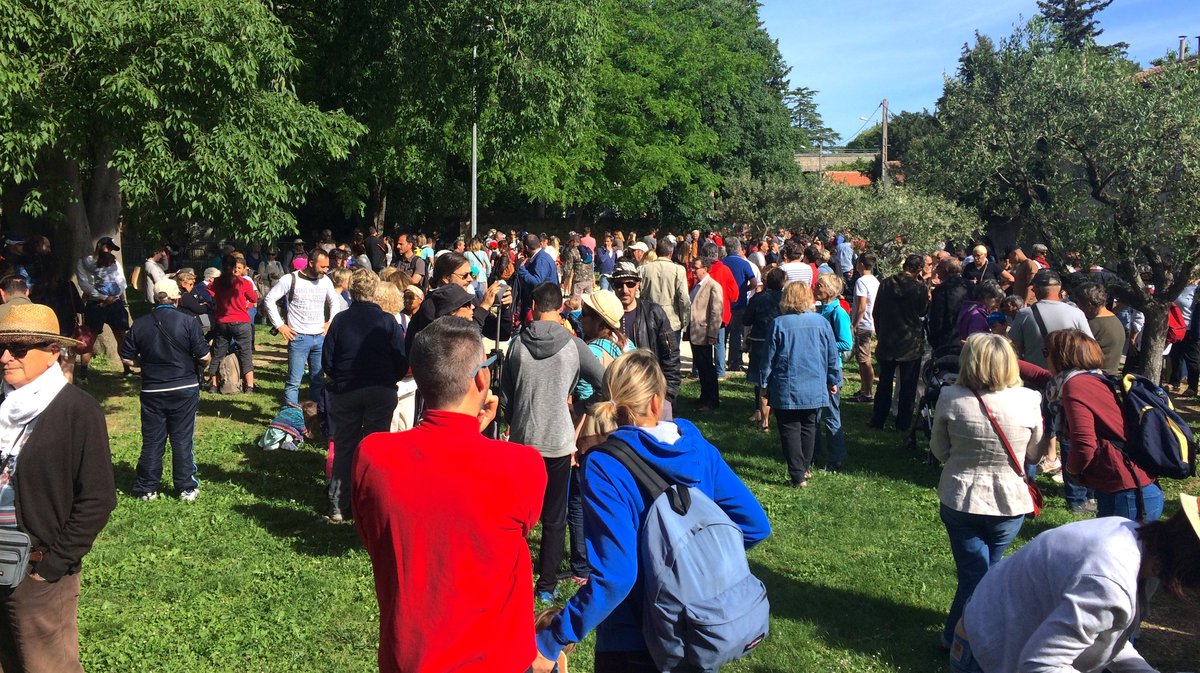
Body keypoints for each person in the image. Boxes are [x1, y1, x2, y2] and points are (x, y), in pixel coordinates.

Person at [533, 350, 771, 673]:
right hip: (694, 629)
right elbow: (754, 524)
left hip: (632, 642)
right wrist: (694, 568)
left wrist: (555, 637)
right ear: (657, 403)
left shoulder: (605, 466)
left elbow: (617, 577)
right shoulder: (695, 446)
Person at [355, 317, 544, 673]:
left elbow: (374, 534)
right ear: (481, 379)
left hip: (409, 659)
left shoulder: (373, 456)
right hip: (497, 660)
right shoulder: (523, 465)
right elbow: (517, 527)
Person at [949, 494, 1200, 673]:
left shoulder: (1143, 550)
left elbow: (1104, 635)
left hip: (1009, 634)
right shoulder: (1111, 580)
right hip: (988, 652)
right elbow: (1041, 664)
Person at [0, 304, 116, 672]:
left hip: (37, 572)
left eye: (18, 349)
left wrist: (50, 567)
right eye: (0, 348)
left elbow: (98, 498)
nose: (5, 357)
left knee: (46, 665)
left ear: (52, 353)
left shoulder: (77, 411)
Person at [930, 333, 1042, 650]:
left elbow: (939, 450)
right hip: (1009, 501)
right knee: (988, 572)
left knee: (975, 575)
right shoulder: (1029, 400)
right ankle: (978, 636)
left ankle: (958, 637)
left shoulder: (950, 396)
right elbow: (1033, 454)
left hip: (960, 496)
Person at [501, 282, 605, 602]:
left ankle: (508, 576)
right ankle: (546, 587)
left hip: (522, 441)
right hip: (559, 441)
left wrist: (515, 417)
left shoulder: (517, 345)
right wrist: (582, 409)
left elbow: (505, 397)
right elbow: (604, 384)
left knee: (515, 514)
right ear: (561, 308)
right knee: (555, 516)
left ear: (533, 306)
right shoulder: (574, 345)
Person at [1018, 329, 1164, 521]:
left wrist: (1072, 472)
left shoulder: (1075, 386)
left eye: (1047, 352)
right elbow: (1042, 376)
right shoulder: (1091, 378)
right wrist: (999, 356)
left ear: (1062, 357)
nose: (1046, 358)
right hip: (1131, 487)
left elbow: (1084, 443)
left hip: (1126, 493)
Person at [322, 268, 408, 523]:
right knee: (376, 447)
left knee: (345, 446)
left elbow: (327, 360)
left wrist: (341, 376)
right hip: (380, 389)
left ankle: (338, 505)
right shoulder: (387, 321)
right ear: (375, 291)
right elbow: (401, 360)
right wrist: (386, 378)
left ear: (351, 289)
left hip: (347, 389)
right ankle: (372, 502)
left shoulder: (340, 320)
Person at [119, 278, 211, 501]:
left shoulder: (140, 324)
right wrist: (202, 366)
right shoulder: (188, 321)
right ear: (177, 299)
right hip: (184, 386)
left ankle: (147, 487)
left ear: (155, 298)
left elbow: (126, 357)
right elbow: (204, 356)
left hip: (152, 389)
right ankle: (186, 487)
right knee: (182, 438)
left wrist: (145, 365)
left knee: (152, 439)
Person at [763, 281, 840, 487]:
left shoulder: (778, 323)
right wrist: (834, 379)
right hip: (814, 384)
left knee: (790, 429)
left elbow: (768, 358)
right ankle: (804, 468)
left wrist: (764, 383)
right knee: (809, 428)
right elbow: (832, 355)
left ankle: (797, 474)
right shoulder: (821, 322)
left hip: (786, 385)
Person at [264, 249, 343, 406]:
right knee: (294, 381)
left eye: (327, 267)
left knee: (318, 379)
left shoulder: (325, 281)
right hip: (298, 337)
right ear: (311, 263)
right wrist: (280, 325)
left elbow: (335, 302)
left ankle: (314, 416)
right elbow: (269, 299)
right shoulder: (290, 279)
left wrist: (331, 322)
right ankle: (290, 417)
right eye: (323, 267)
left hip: (320, 337)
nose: (326, 270)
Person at [612, 260, 680, 417]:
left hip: (651, 394)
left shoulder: (653, 313)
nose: (625, 289)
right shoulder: (607, 317)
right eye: (618, 284)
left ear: (638, 285)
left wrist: (667, 394)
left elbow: (671, 355)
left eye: (630, 284)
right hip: (619, 395)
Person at [871, 254, 931, 431]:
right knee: (908, 384)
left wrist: (880, 332)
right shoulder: (918, 288)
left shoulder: (886, 283)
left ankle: (878, 419)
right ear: (919, 269)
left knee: (884, 382)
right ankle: (903, 423)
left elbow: (877, 310)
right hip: (909, 341)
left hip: (888, 338)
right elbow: (922, 311)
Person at [1009, 269, 1092, 368]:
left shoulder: (1025, 314)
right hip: (1068, 376)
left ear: (1037, 289)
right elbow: (1090, 346)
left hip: (1035, 376)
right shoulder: (1077, 313)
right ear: (1059, 288)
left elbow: (1015, 350)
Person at [75, 236, 132, 380]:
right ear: (100, 246)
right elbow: (84, 284)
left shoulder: (114, 262)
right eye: (109, 247)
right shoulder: (85, 262)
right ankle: (83, 373)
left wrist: (114, 296)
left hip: (115, 302)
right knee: (89, 337)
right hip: (95, 304)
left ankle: (127, 368)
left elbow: (121, 280)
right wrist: (103, 297)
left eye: (112, 248)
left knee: (121, 335)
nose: (111, 250)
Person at [814, 272, 852, 470]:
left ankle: (836, 457)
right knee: (814, 414)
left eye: (819, 285)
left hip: (831, 368)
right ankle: (813, 453)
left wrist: (824, 345)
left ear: (829, 291)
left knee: (831, 414)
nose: (815, 287)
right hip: (816, 367)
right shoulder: (819, 310)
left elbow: (846, 342)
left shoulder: (838, 313)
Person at [205, 255, 258, 394]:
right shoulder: (242, 282)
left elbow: (209, 291)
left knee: (217, 354)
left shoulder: (217, 282)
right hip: (241, 321)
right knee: (245, 353)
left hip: (222, 321)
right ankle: (250, 387)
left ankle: (214, 385)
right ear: (235, 267)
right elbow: (253, 298)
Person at [745, 267, 786, 432]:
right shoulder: (787, 299)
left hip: (760, 340)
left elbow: (747, 320)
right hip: (782, 342)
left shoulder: (758, 298)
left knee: (761, 378)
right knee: (779, 375)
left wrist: (745, 341)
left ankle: (760, 413)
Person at [638, 238, 690, 346]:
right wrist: (685, 320)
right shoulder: (678, 270)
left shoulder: (643, 270)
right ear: (671, 253)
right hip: (672, 319)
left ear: (656, 251)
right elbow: (684, 298)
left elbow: (638, 295)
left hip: (649, 317)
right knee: (671, 356)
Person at [688, 256, 723, 411]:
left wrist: (712, 333)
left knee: (707, 367)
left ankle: (712, 399)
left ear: (705, 269)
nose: (693, 270)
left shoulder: (713, 286)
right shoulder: (697, 286)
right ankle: (704, 396)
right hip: (695, 331)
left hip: (704, 332)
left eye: (696, 267)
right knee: (701, 367)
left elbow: (716, 311)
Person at [721, 237, 757, 374]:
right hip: (740, 303)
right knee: (736, 334)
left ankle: (719, 361)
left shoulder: (722, 263)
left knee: (723, 334)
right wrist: (744, 289)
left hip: (724, 303)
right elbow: (753, 283)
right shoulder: (744, 264)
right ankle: (734, 362)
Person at [850, 252, 880, 403]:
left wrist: (854, 324)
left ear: (861, 264)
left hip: (863, 323)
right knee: (863, 358)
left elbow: (862, 305)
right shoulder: (875, 280)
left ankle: (867, 392)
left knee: (864, 359)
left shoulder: (861, 281)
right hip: (872, 322)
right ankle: (864, 388)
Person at [927, 258, 972, 350]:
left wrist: (934, 339)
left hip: (947, 340)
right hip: (968, 337)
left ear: (946, 270)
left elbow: (937, 317)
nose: (936, 270)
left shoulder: (940, 290)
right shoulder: (970, 286)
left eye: (938, 267)